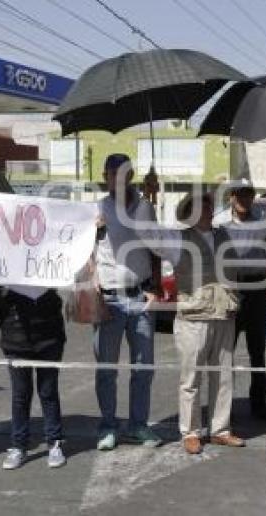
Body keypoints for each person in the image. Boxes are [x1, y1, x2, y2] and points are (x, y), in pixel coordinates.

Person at [0, 219, 67, 470]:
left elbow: (77, 263)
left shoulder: (50, 252)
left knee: (48, 392)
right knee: (21, 395)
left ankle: (54, 442)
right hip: (15, 336)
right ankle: (18, 445)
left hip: (49, 335)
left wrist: (91, 232)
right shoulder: (2, 254)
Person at [93, 154, 169, 451]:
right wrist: (91, 283)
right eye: (113, 174)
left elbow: (157, 249)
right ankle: (108, 426)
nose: (118, 179)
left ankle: (138, 425)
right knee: (106, 369)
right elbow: (83, 250)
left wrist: (155, 286)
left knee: (143, 368)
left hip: (139, 296)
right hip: (108, 298)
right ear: (106, 176)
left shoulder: (145, 207)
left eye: (124, 173)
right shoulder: (96, 209)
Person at [172, 193, 245, 455]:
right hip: (194, 316)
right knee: (191, 378)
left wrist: (234, 299)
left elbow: (235, 269)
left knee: (224, 376)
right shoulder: (179, 238)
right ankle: (190, 432)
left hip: (224, 314)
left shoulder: (224, 236)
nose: (207, 209)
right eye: (201, 205)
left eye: (209, 205)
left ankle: (220, 430)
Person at [222, 180, 266, 421]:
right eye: (241, 195)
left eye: (249, 195)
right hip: (231, 290)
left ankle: (259, 403)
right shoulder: (219, 223)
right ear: (231, 197)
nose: (245, 200)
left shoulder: (263, 221)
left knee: (257, 353)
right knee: (226, 353)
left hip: (256, 292)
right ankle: (225, 407)